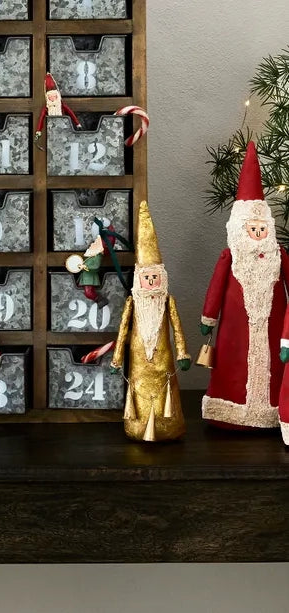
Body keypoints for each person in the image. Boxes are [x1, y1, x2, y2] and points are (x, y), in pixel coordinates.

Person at [201, 141, 289, 429]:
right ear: (241, 229)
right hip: (235, 329)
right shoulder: (230, 256)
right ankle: (231, 410)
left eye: (262, 228)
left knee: (275, 367)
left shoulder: (279, 254)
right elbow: (216, 288)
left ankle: (275, 411)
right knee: (233, 361)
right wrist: (209, 319)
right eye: (253, 229)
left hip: (275, 327)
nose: (258, 233)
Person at [111, 200, 191, 441]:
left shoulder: (167, 301)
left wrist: (182, 353)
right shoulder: (133, 302)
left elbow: (177, 329)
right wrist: (117, 358)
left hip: (163, 360)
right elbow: (123, 331)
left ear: (162, 277)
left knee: (166, 392)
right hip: (138, 362)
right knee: (139, 393)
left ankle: (168, 427)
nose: (152, 282)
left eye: (156, 277)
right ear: (139, 280)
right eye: (147, 278)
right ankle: (138, 427)